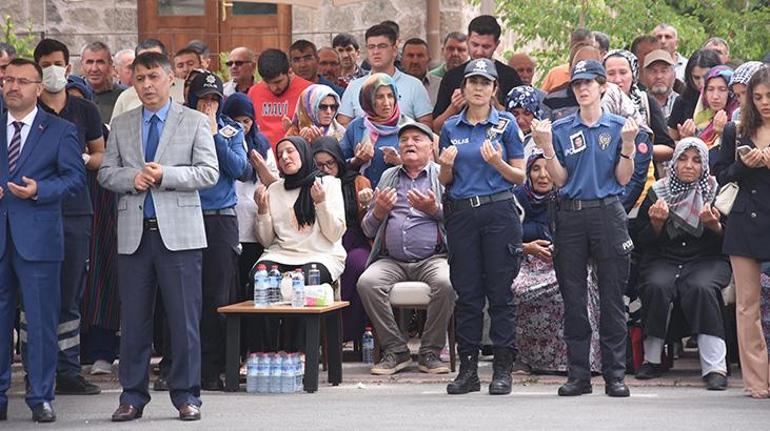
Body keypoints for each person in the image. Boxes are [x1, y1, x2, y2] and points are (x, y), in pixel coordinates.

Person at [98, 51, 219, 422]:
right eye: (139, 79)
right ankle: (132, 396)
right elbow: (105, 173)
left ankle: (187, 395)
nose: (147, 85)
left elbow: (207, 173)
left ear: (171, 79)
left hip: (179, 235)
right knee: (133, 321)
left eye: (153, 77)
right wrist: (130, 179)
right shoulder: (121, 123)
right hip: (135, 234)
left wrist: (167, 174)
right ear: (132, 83)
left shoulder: (195, 121)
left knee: (184, 320)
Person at [531, 60, 638, 397]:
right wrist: (546, 146)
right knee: (574, 299)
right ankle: (579, 374)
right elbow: (559, 180)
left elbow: (623, 179)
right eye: (577, 84)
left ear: (603, 86)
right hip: (572, 215)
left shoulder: (619, 126)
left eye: (589, 82)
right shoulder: (562, 128)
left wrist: (629, 145)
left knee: (611, 298)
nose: (582, 89)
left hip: (607, 213)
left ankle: (615, 374)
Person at [0, 58, 86, 423]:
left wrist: (39, 190)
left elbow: (74, 180)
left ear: (39, 88)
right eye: (7, 80)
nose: (12, 87)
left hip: (39, 237)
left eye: (21, 81)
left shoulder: (60, 130)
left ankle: (40, 396)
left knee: (41, 320)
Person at [438, 58, 526, 395]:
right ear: (463, 88)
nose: (478, 88)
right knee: (468, 294)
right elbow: (447, 179)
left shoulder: (505, 124)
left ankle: (502, 370)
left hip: (498, 211)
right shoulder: (451, 128)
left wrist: (496, 162)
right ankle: (468, 370)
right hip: (462, 212)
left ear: (493, 89)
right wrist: (445, 166)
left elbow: (519, 176)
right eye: (472, 82)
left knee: (501, 293)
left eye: (484, 83)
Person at [34, 38, 106, 396]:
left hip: (76, 211)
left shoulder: (85, 111)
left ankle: (68, 370)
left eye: (57, 63)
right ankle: (37, 369)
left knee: (70, 294)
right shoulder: (26, 111)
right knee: (33, 294)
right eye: (44, 64)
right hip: (34, 213)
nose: (52, 70)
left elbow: (101, 156)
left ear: (68, 67)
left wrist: (77, 160)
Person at [357, 122, 454, 375]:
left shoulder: (441, 176)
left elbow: (458, 222)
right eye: (404, 140)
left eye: (417, 139)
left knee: (447, 282)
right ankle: (396, 350)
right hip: (392, 260)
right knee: (367, 282)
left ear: (431, 147)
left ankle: (430, 352)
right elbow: (368, 229)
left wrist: (434, 210)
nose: (409, 144)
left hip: (433, 258)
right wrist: (378, 211)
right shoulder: (388, 177)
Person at [633, 137, 730, 390]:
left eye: (697, 160)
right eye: (683, 159)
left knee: (701, 287)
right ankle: (652, 360)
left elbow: (732, 238)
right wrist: (655, 225)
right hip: (664, 258)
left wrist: (715, 226)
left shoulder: (715, 191)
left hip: (706, 260)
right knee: (657, 285)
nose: (689, 165)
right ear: (673, 163)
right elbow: (639, 240)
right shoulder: (658, 191)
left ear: (705, 165)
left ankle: (715, 367)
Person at [185, 70, 249, 391]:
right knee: (184, 294)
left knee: (216, 295)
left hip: (220, 218)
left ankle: (212, 367)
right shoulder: (178, 125)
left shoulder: (230, 129)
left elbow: (239, 168)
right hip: (185, 215)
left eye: (213, 99)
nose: (208, 105)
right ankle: (182, 365)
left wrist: (212, 134)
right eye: (202, 99)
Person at [511, 152, 602, 374]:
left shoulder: (570, 197)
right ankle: (525, 358)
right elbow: (502, 237)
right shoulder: (517, 199)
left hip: (567, 260)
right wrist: (527, 247)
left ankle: (575, 361)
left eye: (548, 168)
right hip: (524, 262)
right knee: (516, 290)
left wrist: (564, 249)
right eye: (535, 169)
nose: (543, 175)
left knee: (577, 286)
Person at [717, 67, 770, 399]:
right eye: (758, 96)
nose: (764, 102)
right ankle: (756, 381)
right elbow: (721, 174)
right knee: (746, 306)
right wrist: (745, 165)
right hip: (744, 221)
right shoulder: (735, 130)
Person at [253, 136, 346, 286]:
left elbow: (334, 234)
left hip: (320, 255)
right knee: (258, 279)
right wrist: (263, 212)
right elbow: (267, 242)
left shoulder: (328, 184)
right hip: (281, 254)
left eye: (290, 151)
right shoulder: (275, 189)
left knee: (304, 281)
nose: (284, 157)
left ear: (304, 153)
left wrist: (321, 202)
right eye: (280, 154)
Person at [312, 137, 372, 343]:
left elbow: (369, 224)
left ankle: (347, 333)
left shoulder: (357, 181)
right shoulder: (309, 185)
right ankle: (320, 336)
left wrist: (366, 205)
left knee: (358, 265)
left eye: (330, 163)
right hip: (320, 243)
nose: (326, 169)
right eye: (319, 165)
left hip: (353, 240)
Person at [222, 93, 278, 292]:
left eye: (246, 121)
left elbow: (275, 182)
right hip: (230, 221)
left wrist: (259, 165)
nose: (242, 126)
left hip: (255, 222)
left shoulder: (261, 143)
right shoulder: (220, 141)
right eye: (236, 121)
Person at [432, 15, 523, 133]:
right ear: (468, 40)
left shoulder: (510, 76)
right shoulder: (452, 77)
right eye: (474, 45)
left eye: (486, 46)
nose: (479, 52)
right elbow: (436, 127)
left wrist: (494, 104)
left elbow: (522, 122)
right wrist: (454, 107)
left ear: (496, 44)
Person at [338, 24, 432, 128]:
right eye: (371, 47)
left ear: (395, 50)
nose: (376, 52)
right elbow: (342, 125)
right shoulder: (354, 86)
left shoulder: (414, 85)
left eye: (382, 46)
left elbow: (426, 124)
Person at [339, 73, 411, 187]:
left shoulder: (409, 127)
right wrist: (357, 160)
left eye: (390, 96)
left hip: (399, 195)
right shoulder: (357, 126)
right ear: (368, 99)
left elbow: (424, 166)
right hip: (363, 196)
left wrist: (399, 161)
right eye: (379, 97)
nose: (386, 103)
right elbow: (339, 165)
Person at [603, 49, 674, 162]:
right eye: (611, 73)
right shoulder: (594, 104)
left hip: (643, 174)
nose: (617, 79)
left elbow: (669, 149)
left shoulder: (645, 101)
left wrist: (637, 148)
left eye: (623, 72)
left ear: (633, 74)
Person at [247, 48, 312, 148]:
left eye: (278, 82)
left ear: (290, 72)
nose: (274, 88)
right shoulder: (254, 92)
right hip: (264, 156)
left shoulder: (309, 91)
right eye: (267, 82)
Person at [111, 39, 185, 121]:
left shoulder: (185, 89)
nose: (148, 63)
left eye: (155, 58)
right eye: (143, 59)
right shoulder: (126, 97)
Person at [684, 66, 738, 165]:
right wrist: (688, 140)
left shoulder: (738, 120)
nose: (715, 96)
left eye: (722, 89)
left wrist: (724, 134)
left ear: (731, 93)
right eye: (710, 89)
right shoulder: (702, 121)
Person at [667, 49, 723, 141]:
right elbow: (671, 140)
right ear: (689, 76)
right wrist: (684, 139)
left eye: (706, 77)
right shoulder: (682, 102)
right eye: (696, 77)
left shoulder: (730, 100)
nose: (701, 83)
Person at [539, 29, 595, 94]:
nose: (583, 50)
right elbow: (542, 98)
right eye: (579, 46)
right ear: (571, 46)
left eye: (588, 46)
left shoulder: (599, 74)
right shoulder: (555, 74)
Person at [81, 41, 124, 121]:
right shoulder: (72, 96)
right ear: (82, 65)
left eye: (100, 62)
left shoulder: (123, 96)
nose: (94, 69)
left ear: (110, 65)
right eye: (89, 62)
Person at [505, 85, 542, 159]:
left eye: (527, 113)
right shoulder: (500, 138)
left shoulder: (547, 138)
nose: (520, 120)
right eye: (515, 114)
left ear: (535, 115)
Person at [642, 49, 678, 121]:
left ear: (674, 75)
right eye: (653, 71)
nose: (659, 76)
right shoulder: (637, 104)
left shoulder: (683, 103)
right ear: (644, 76)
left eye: (664, 71)